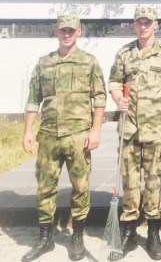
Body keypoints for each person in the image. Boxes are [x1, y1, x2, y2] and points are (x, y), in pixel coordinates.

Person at [21, 14, 106, 262]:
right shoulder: (44, 63)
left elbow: (99, 98)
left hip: (78, 136)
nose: (66, 34)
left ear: (79, 31)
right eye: (62, 30)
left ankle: (77, 236)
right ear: (56, 32)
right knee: (45, 187)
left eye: (71, 30)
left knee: (80, 187)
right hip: (48, 135)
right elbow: (33, 100)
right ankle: (45, 238)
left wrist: (96, 131)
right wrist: (27, 130)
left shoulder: (89, 62)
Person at [107, 6, 161, 261]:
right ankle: (128, 233)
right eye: (139, 22)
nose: (143, 26)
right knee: (129, 182)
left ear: (156, 24)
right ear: (133, 25)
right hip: (129, 128)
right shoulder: (124, 53)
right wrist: (118, 98)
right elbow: (114, 82)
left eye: (148, 22)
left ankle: (153, 234)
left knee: (153, 182)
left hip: (155, 128)